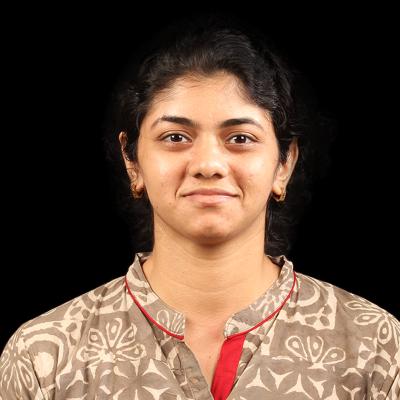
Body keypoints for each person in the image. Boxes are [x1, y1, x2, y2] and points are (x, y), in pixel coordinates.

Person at [1, 15, 399, 400]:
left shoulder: (376, 348)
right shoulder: (45, 356)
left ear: (284, 164)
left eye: (240, 138)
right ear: (132, 160)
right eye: (175, 137)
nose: (208, 165)